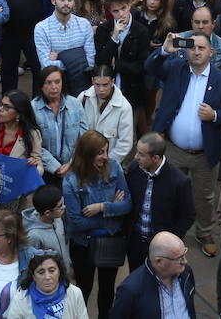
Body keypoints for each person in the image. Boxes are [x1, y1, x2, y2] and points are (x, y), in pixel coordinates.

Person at [144, 30, 221, 258]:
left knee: (205, 196)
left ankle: (205, 232)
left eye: (201, 48)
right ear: (186, 50)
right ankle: (167, 230)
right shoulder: (176, 70)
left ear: (211, 52)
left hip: (205, 153)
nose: (196, 52)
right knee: (168, 190)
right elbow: (150, 67)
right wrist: (164, 50)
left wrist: (216, 115)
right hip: (174, 149)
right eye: (192, 47)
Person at [62, 129, 131, 316]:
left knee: (108, 289)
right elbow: (76, 223)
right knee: (83, 289)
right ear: (87, 153)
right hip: (83, 244)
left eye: (106, 151)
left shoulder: (114, 167)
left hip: (111, 241)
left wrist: (102, 207)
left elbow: (127, 205)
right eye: (100, 152)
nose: (105, 157)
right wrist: (112, 215)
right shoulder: (71, 180)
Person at [124, 132, 196, 269]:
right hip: (135, 242)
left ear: (155, 158)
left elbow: (188, 216)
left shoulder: (179, 181)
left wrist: (170, 242)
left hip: (161, 249)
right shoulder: (134, 169)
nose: (135, 157)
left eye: (141, 154)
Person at [108, 230, 197, 319]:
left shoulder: (186, 273)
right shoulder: (130, 290)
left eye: (184, 254)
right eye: (179, 258)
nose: (185, 261)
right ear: (159, 261)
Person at [4, 251, 89, 319]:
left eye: (52, 270)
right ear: (33, 276)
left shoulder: (75, 293)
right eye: (41, 272)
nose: (47, 277)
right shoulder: (20, 298)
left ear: (59, 272)